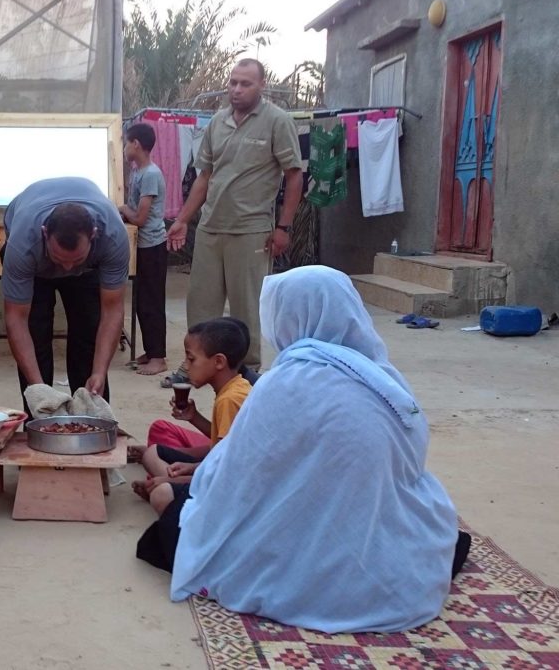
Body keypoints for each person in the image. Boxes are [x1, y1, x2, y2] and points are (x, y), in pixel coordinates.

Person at [137, 265, 470, 634]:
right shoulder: (383, 378)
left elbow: (238, 475)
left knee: (174, 512)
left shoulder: (287, 382)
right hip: (385, 551)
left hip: (309, 539)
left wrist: (195, 485)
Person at [164, 58, 304, 383]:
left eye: (246, 83)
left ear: (262, 85)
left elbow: (294, 176)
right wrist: (184, 219)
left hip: (252, 230)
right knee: (201, 304)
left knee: (247, 308)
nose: (237, 89)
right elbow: (205, 176)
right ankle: (193, 366)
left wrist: (283, 227)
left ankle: (246, 371)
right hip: (212, 228)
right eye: (233, 82)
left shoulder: (276, 121)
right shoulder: (217, 121)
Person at [2, 177, 130, 408]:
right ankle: (39, 420)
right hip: (35, 264)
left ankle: (91, 417)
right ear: (44, 233)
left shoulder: (113, 236)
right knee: (36, 332)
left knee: (88, 339)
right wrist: (39, 390)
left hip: (88, 271)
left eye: (76, 259)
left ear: (93, 234)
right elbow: (16, 318)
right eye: (59, 259)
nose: (68, 268)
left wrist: (99, 371)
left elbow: (112, 310)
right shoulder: (23, 244)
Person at [132, 318, 251, 516]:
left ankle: (176, 500)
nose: (186, 366)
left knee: (161, 494)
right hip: (219, 470)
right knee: (152, 453)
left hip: (231, 489)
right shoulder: (234, 388)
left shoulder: (229, 399)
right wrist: (194, 417)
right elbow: (222, 445)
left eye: (191, 359)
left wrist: (175, 480)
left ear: (219, 361)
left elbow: (224, 471)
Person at [118, 123, 168, 376]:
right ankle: (151, 350)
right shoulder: (138, 172)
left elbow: (139, 217)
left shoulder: (150, 174)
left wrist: (121, 208)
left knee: (152, 301)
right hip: (142, 246)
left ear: (136, 144)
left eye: (127, 143)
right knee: (141, 302)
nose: (125, 148)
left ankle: (159, 357)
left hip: (152, 246)